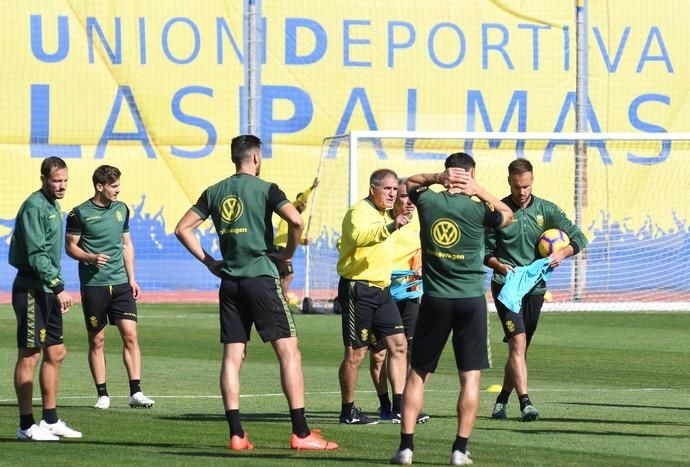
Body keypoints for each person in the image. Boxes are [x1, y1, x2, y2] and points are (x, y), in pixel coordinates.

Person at [174, 134, 338, 451]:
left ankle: (237, 434)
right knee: (289, 353)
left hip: (230, 282)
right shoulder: (267, 189)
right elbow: (295, 219)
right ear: (256, 157)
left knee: (233, 358)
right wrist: (288, 252)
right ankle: (301, 434)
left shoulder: (215, 190)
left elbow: (182, 228)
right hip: (261, 278)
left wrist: (209, 261)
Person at [390, 153, 513, 465]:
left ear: (447, 173)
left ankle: (406, 448)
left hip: (434, 300)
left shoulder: (429, 203)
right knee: (470, 377)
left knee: (417, 374)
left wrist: (435, 177)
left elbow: (409, 183)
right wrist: (479, 189)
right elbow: (507, 214)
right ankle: (459, 449)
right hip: (470, 301)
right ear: (471, 174)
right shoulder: (477, 208)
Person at [486, 159, 588, 422]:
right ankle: (526, 403)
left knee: (520, 348)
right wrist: (499, 264)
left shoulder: (546, 210)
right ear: (509, 181)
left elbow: (579, 237)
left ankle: (500, 402)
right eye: (518, 186)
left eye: (527, 186)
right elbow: (483, 253)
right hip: (506, 286)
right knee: (517, 343)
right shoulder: (497, 212)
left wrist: (562, 252)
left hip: (535, 287)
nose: (523, 192)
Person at [65, 165, 155, 410]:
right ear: (99, 186)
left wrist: (132, 278)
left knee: (131, 335)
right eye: (114, 186)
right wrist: (90, 257)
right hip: (94, 285)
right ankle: (103, 394)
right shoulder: (78, 213)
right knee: (97, 340)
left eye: (118, 185)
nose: (118, 190)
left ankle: (136, 391)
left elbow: (126, 244)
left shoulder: (122, 209)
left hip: (121, 284)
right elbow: (70, 246)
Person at [9, 156, 82, 441]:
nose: (62, 186)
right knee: (30, 355)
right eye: (56, 181)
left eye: (65, 180)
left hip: (48, 289)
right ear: (43, 179)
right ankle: (26, 426)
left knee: (56, 352)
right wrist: (58, 286)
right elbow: (36, 255)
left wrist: (55, 287)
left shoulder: (54, 205)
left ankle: (50, 420)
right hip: (30, 289)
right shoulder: (34, 206)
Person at [336, 169, 409, 425]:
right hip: (359, 289)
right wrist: (390, 226)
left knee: (399, 345)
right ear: (372, 189)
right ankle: (348, 411)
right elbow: (357, 236)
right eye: (387, 189)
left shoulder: (386, 214)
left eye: (394, 190)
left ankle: (399, 407)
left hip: (382, 289)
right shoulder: (359, 212)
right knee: (357, 353)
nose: (392, 194)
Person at [367, 178, 428, 424]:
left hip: (411, 291)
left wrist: (424, 261)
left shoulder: (421, 223)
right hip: (381, 291)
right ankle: (385, 403)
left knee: (409, 350)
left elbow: (426, 248)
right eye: (404, 196)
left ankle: (402, 404)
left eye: (413, 198)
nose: (409, 202)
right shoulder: (381, 222)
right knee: (379, 355)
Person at [273, 177, 319, 296]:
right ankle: (283, 302)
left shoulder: (298, 219)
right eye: (303, 202)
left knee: (282, 277)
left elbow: (297, 238)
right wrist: (312, 187)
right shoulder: (292, 209)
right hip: (281, 247)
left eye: (306, 203)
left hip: (282, 247)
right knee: (289, 275)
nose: (304, 204)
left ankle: (279, 302)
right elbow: (302, 197)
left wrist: (305, 241)